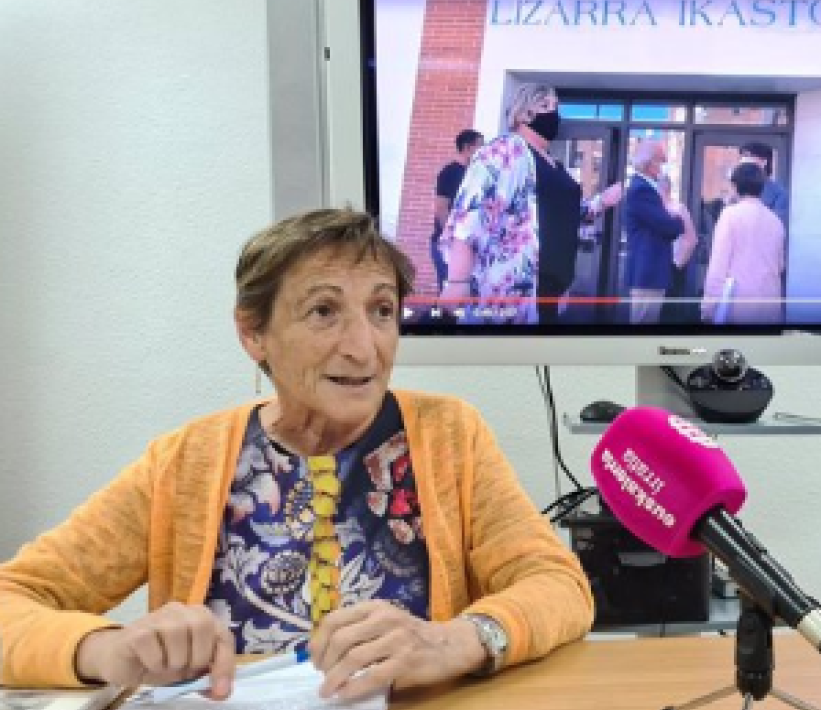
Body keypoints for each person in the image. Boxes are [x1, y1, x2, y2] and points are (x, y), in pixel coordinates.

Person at [0, 209, 594, 698]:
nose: (364, 348)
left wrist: (457, 641)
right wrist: (106, 649)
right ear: (253, 332)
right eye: (323, 312)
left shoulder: (450, 434)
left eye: (382, 311)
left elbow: (557, 584)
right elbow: (13, 599)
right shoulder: (186, 460)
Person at [440, 83, 621, 324]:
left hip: (550, 290)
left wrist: (602, 202)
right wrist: (457, 281)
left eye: (556, 106)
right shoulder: (503, 151)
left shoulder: (552, 163)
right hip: (510, 290)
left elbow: (562, 213)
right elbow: (468, 214)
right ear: (523, 114)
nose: (554, 113)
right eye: (545, 106)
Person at [700, 162, 786, 325]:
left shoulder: (730, 215)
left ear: (734, 186)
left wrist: (708, 308)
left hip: (738, 305)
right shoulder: (775, 221)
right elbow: (780, 265)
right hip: (771, 306)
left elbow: (718, 266)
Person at [622, 139, 684, 324]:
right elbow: (668, 226)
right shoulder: (641, 190)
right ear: (649, 163)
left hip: (650, 272)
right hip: (648, 272)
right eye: (660, 161)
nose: (662, 167)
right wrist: (678, 220)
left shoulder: (645, 188)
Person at [432, 129, 485, 291]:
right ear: (467, 147)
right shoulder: (449, 173)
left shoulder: (477, 175)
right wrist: (451, 239)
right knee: (450, 294)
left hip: (469, 247)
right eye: (480, 146)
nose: (484, 151)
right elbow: (441, 208)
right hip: (450, 245)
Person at [658, 172, 699, 324]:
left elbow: (692, 240)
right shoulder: (654, 210)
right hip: (655, 268)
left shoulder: (678, 209)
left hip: (672, 267)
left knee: (668, 312)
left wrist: (676, 265)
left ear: (664, 189)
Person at [737, 141, 789, 227]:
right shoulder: (738, 187)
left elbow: (777, 225)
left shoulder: (778, 193)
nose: (743, 161)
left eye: (748, 156)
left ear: (764, 162)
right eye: (742, 157)